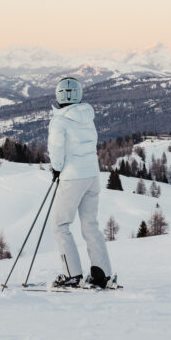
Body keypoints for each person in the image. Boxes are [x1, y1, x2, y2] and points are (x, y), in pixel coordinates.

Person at [48, 76, 116, 289]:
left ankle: (71, 274)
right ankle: (101, 273)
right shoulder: (87, 116)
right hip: (92, 176)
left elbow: (56, 149)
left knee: (60, 225)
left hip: (71, 177)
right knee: (90, 224)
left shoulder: (59, 120)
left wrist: (56, 168)